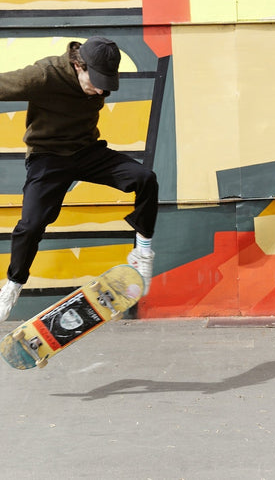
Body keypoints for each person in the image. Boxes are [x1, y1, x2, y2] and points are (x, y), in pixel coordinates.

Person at [0, 36, 158, 321]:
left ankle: (143, 252)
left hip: (87, 151)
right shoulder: (44, 75)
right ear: (77, 65)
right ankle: (13, 284)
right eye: (95, 81)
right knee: (31, 224)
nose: (99, 90)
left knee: (145, 178)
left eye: (105, 84)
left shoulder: (99, 83)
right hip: (48, 156)